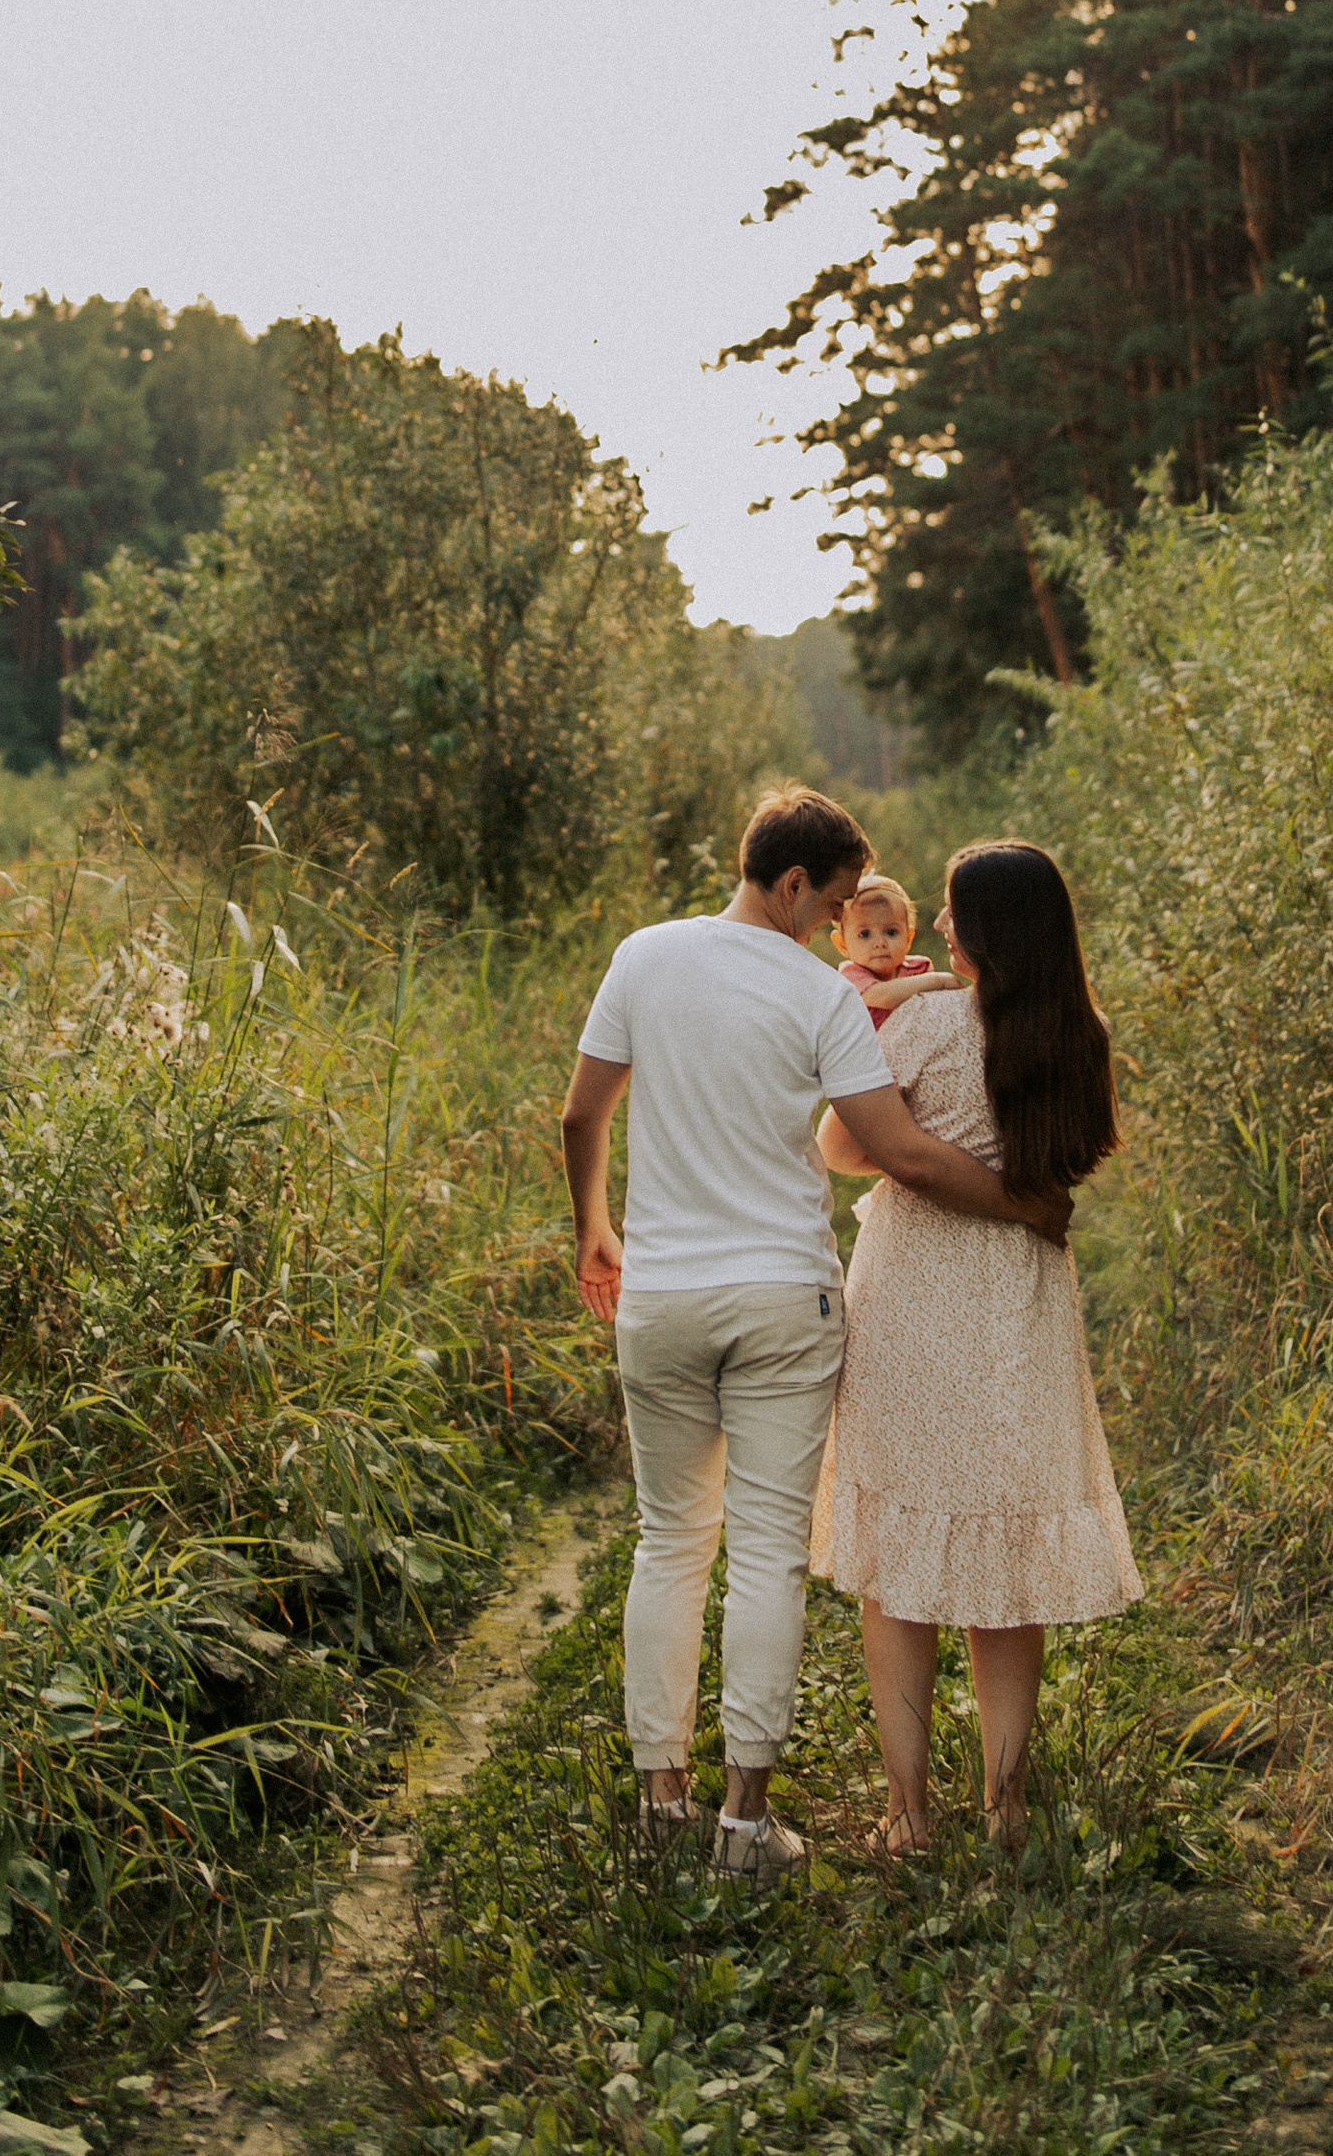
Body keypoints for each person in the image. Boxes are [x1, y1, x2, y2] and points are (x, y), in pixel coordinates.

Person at [560, 787, 1075, 1882]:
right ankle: (747, 1822)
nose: (847, 923)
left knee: (668, 1542)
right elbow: (904, 1150)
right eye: (839, 901)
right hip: (784, 1299)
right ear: (794, 885)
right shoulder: (817, 993)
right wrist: (1021, 1204)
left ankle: (663, 1806)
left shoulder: (642, 957)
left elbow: (581, 1113)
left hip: (661, 1297)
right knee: (766, 1557)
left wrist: (594, 1230)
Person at [811, 839, 1139, 1853]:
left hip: (913, 1291)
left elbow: (841, 1148)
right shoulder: (1079, 1034)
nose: (939, 928)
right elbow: (1075, 1156)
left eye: (953, 913)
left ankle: (908, 1815)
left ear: (988, 932)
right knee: (1003, 1558)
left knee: (897, 1566)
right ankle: (1004, 1804)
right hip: (1017, 1304)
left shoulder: (928, 1023)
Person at [830, 872, 957, 1025]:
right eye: (865, 934)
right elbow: (884, 996)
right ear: (842, 943)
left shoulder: (919, 968)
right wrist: (941, 981)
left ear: (908, 938)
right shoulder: (850, 975)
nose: (880, 943)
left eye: (891, 932)